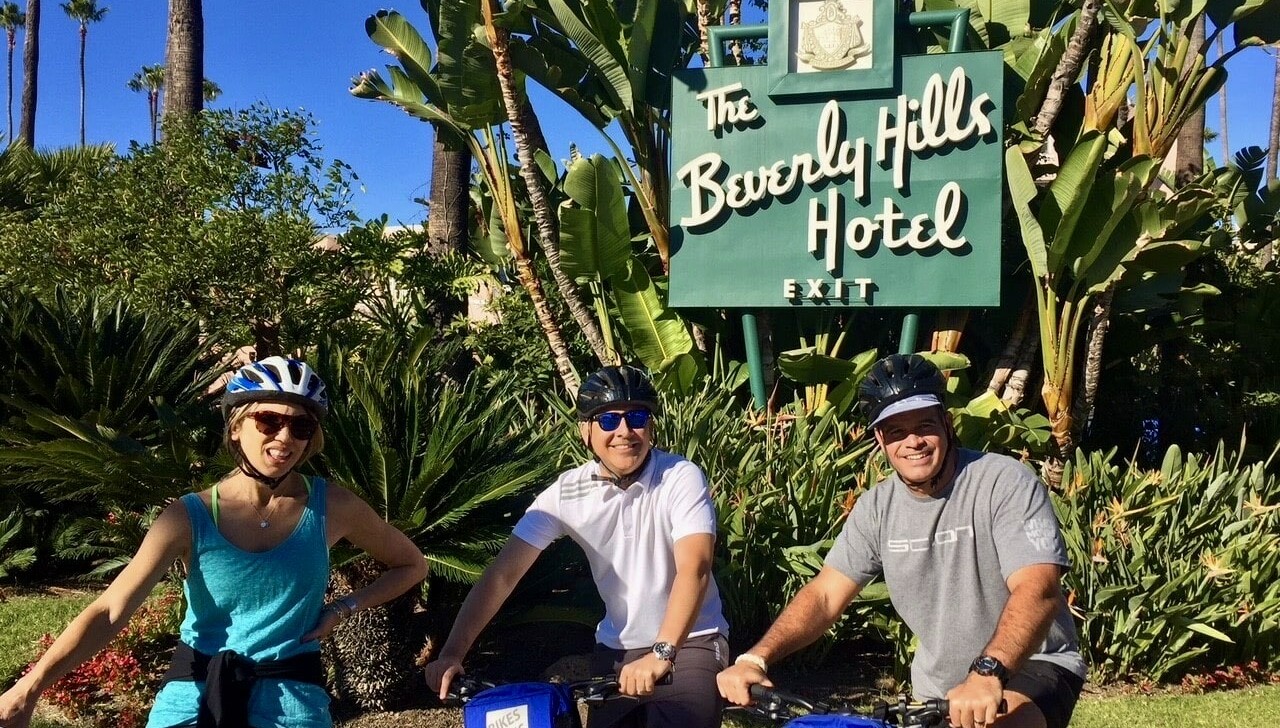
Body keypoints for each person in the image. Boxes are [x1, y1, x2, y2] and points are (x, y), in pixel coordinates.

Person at [0, 356, 428, 728]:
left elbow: (412, 564)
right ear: (238, 427)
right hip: (195, 694)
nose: (284, 438)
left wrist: (342, 608)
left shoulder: (333, 506)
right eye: (269, 420)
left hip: (293, 700)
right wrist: (28, 688)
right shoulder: (190, 516)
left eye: (300, 426)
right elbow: (110, 609)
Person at [717, 354, 1086, 728]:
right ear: (880, 439)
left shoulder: (1002, 481)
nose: (913, 442)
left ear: (947, 422)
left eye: (924, 425)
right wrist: (755, 659)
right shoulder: (877, 507)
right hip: (937, 690)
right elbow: (826, 595)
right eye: (896, 431)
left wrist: (989, 671)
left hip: (1029, 667)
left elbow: (1037, 589)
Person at [424, 365, 730, 728]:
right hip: (617, 648)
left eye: (636, 417)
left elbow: (693, 566)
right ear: (585, 430)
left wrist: (664, 651)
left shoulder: (679, 476)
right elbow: (503, 575)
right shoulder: (568, 491)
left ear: (650, 426)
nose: (624, 431)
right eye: (608, 421)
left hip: (692, 640)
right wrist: (452, 653)